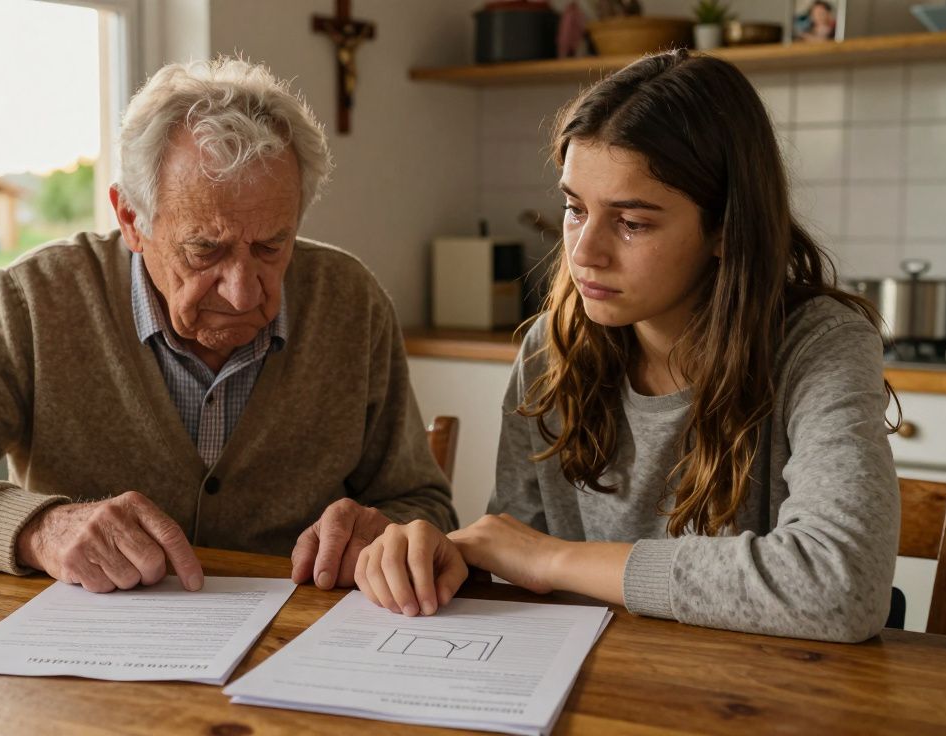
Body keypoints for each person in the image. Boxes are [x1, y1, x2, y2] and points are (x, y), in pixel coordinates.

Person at [0, 57, 456, 594]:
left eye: (271, 246)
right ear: (130, 219)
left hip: (298, 650)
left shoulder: (350, 302)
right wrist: (39, 528)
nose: (242, 290)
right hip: (86, 667)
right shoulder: (39, 302)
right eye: (204, 250)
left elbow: (423, 506)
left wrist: (389, 534)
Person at [354, 49, 899, 643]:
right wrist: (444, 556)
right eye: (574, 209)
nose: (583, 252)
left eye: (632, 223)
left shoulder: (819, 345)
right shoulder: (549, 349)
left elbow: (842, 586)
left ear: (725, 229)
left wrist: (553, 558)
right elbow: (512, 567)